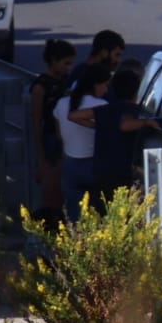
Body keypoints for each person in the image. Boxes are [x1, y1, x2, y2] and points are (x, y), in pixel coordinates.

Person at [55, 61, 111, 219]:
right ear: (95, 84)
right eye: (105, 85)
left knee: (75, 217)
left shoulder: (61, 103)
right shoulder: (102, 105)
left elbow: (59, 135)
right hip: (95, 165)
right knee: (99, 216)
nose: (106, 90)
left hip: (70, 165)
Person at [92, 59, 151, 203]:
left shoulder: (104, 108)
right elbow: (124, 125)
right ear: (137, 92)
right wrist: (148, 122)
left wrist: (97, 125)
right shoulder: (132, 110)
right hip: (121, 172)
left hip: (100, 170)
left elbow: (74, 116)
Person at [29, 37, 76, 221]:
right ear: (54, 60)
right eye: (66, 63)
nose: (68, 68)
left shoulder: (68, 82)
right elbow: (36, 121)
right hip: (51, 139)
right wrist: (41, 158)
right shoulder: (41, 87)